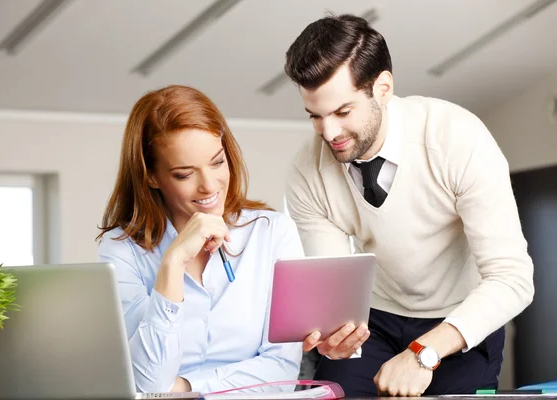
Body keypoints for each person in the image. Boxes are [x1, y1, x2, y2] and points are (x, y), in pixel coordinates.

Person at [283, 14, 535, 397]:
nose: (329, 133)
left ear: (382, 87)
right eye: (315, 116)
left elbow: (512, 279)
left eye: (342, 112)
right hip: (375, 319)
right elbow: (335, 296)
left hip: (462, 316)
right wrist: (334, 335)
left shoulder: (457, 138)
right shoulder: (307, 170)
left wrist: (423, 352)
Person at [97, 85, 303, 394]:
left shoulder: (271, 233)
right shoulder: (121, 249)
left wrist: (187, 387)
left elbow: (283, 370)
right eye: (184, 174)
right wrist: (173, 263)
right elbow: (148, 382)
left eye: (217, 162)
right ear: (151, 177)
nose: (209, 186)